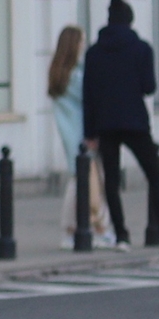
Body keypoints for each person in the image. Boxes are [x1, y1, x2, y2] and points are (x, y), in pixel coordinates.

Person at [82, 0, 159, 251]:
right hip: (135, 121)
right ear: (130, 21)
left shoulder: (93, 53)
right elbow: (149, 87)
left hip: (105, 123)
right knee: (154, 175)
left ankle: (122, 236)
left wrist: (89, 132)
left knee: (112, 182)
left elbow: (88, 96)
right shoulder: (142, 49)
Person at [47, 24, 112, 248]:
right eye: (81, 41)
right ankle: (89, 227)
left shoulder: (59, 74)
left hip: (69, 134)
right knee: (87, 182)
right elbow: (92, 95)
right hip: (82, 135)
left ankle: (74, 228)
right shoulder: (76, 76)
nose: (83, 46)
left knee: (78, 180)